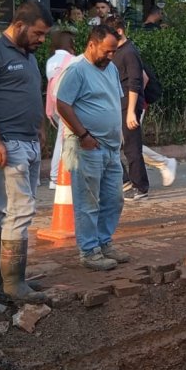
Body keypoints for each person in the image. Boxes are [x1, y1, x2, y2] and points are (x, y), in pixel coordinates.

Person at [0, 1, 53, 304]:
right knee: (19, 211)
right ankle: (13, 283)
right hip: (6, 143)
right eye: (38, 33)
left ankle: (0, 281)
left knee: (10, 212)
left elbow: (33, 94)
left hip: (27, 141)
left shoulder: (27, 55)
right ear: (19, 25)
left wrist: (40, 128)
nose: (41, 40)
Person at [55, 24, 128, 271]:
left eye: (114, 51)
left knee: (114, 198)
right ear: (91, 44)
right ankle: (89, 250)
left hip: (109, 146)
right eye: (107, 51)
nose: (111, 56)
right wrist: (83, 134)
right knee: (88, 201)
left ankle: (104, 242)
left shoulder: (111, 69)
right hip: (87, 145)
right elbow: (62, 104)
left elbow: (114, 100)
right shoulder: (77, 70)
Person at [107, 16, 151, 200]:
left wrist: (132, 110)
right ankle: (127, 181)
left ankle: (140, 187)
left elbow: (136, 81)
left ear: (119, 32)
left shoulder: (129, 52)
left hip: (127, 105)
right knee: (117, 145)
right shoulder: (121, 51)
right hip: (121, 104)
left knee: (131, 147)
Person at [45, 28, 78, 188]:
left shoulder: (50, 62)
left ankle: (55, 176)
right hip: (68, 104)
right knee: (64, 139)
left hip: (54, 103)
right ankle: (56, 176)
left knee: (61, 137)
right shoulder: (73, 60)